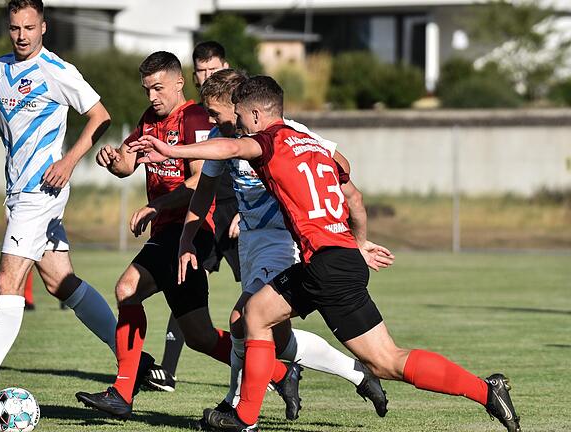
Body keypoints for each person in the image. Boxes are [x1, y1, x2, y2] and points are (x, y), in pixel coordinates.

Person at [130, 76, 521, 432]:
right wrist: (360, 242)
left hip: (324, 264)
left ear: (254, 113)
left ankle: (243, 417)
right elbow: (353, 197)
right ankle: (488, 391)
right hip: (342, 258)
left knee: (263, 320)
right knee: (376, 356)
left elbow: (231, 146)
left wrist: (170, 147)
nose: (241, 124)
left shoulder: (269, 140)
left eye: (243, 117)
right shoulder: (317, 145)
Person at [74, 52, 300, 421]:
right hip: (170, 230)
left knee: (127, 288)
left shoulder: (197, 118)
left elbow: (198, 181)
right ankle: (280, 371)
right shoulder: (149, 120)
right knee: (198, 335)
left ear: (179, 83)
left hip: (193, 229)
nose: (152, 97)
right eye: (147, 89)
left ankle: (122, 391)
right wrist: (112, 159)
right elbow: (126, 166)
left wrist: (157, 205)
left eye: (158, 88)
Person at [0, 0, 121, 418]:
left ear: (44, 27)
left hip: (43, 191)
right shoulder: (0, 69)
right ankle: (132, 358)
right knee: (60, 282)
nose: (21, 35)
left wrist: (68, 161)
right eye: (14, 28)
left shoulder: (56, 70)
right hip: (16, 192)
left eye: (29, 27)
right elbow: (6, 128)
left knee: (7, 280)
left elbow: (100, 115)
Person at [174, 68, 392, 420]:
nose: (211, 119)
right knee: (275, 336)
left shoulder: (286, 133)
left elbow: (338, 166)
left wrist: (338, 222)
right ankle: (352, 373)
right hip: (250, 241)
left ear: (241, 107)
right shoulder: (221, 136)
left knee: (242, 319)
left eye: (215, 111)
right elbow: (204, 192)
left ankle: (235, 406)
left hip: (283, 238)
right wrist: (187, 239)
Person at [144, 41, 241, 393]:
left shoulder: (241, 116)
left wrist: (245, 213)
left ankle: (275, 365)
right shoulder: (198, 115)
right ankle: (168, 371)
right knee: (183, 286)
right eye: (199, 71)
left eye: (211, 70)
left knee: (258, 298)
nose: (204, 77)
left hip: (237, 211)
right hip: (205, 209)